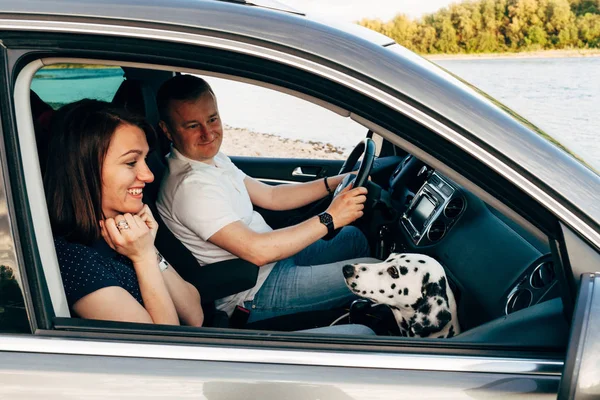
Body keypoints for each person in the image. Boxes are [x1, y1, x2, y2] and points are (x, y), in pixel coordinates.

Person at [156, 75, 380, 323]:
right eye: (192, 126)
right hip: (253, 291)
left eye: (212, 119)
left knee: (353, 239)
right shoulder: (190, 187)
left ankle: (352, 314)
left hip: (275, 260)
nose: (208, 133)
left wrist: (335, 183)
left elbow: (272, 196)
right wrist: (331, 217)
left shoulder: (211, 161)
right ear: (167, 130)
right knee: (378, 274)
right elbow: (257, 251)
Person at [45, 99, 204, 326]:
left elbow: (195, 315)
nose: (148, 175)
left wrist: (150, 249)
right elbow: (161, 349)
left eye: (145, 159)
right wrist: (144, 258)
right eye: (131, 162)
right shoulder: (74, 261)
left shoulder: (128, 231)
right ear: (83, 168)